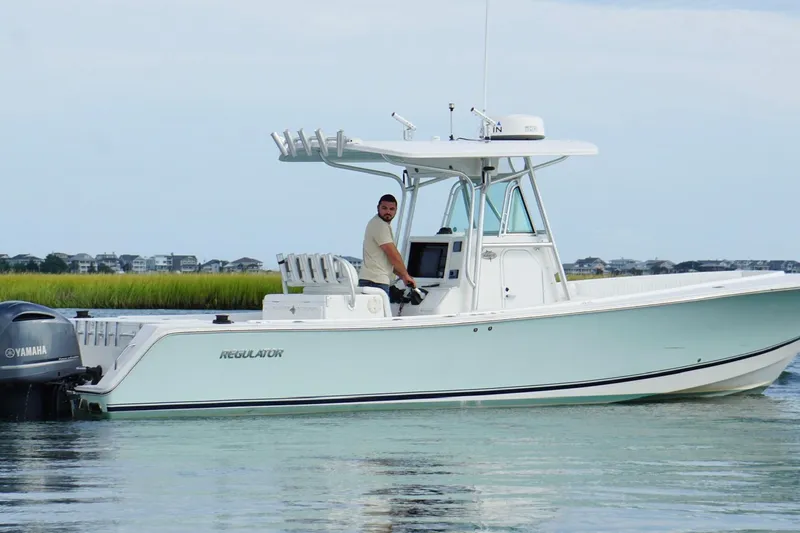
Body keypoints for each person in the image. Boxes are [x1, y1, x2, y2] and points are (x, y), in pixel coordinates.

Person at [358, 194, 416, 296]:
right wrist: (406, 275)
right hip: (375, 282)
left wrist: (403, 276)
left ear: (396, 210)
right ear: (378, 208)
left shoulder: (379, 224)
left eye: (391, 209)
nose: (388, 212)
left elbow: (387, 260)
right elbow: (392, 254)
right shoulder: (380, 225)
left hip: (372, 280)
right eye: (384, 208)